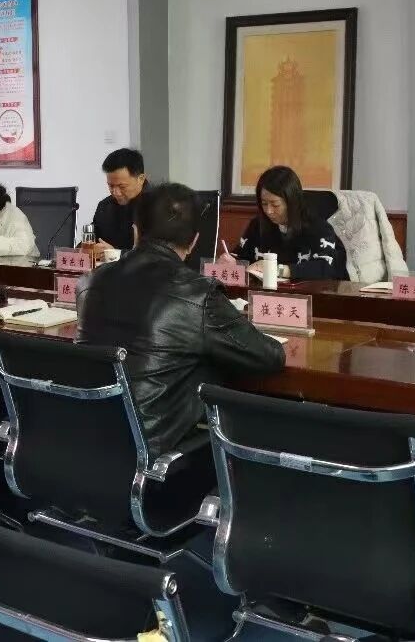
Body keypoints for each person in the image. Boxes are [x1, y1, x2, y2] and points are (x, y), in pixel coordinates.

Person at [78, 182, 285, 457]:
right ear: (194, 241)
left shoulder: (90, 282)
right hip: (153, 455)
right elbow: (269, 356)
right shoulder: (197, 293)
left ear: (136, 231)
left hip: (83, 442)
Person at [222, 165, 349, 282]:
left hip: (315, 293)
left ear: (291, 202)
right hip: (266, 293)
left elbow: (326, 267)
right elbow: (242, 255)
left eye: (275, 205)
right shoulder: (258, 224)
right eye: (264, 203)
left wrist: (280, 270)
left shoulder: (317, 227)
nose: (269, 211)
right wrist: (232, 262)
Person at [91, 148, 148, 251]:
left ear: (141, 179)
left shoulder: (158, 207)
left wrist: (116, 254)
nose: (116, 192)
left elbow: (160, 255)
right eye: (111, 186)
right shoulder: (105, 206)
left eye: (122, 186)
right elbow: (92, 239)